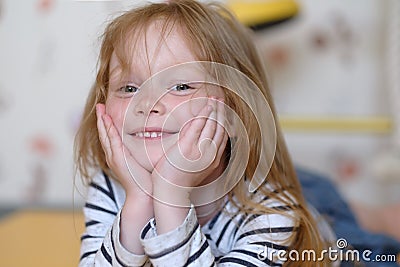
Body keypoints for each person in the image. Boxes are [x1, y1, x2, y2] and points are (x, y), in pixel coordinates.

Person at [74, 1, 328, 266]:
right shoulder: (110, 188)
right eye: (128, 88)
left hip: (329, 234)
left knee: (340, 216)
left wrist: (170, 194)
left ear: (234, 113)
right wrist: (139, 203)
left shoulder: (271, 214)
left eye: (181, 86)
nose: (147, 104)